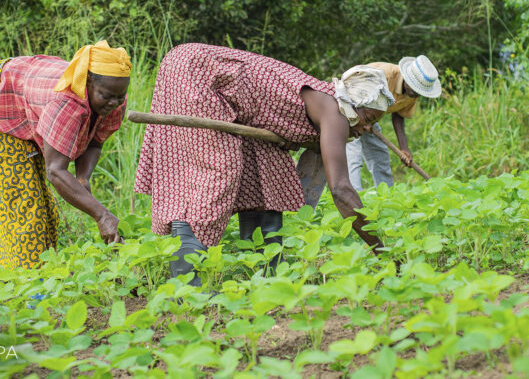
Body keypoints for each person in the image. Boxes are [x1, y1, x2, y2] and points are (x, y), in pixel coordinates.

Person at [134, 43, 395, 286]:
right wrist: (380, 249)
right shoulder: (335, 114)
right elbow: (341, 189)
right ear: (354, 103)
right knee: (215, 172)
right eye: (369, 117)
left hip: (218, 85)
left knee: (269, 169)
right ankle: (189, 287)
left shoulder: (326, 104)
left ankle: (266, 274)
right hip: (198, 72)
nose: (368, 128)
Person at [0, 40, 132, 271]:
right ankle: (16, 280)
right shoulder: (66, 103)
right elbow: (55, 172)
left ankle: (37, 273)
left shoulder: (113, 98)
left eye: (120, 96)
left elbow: (95, 140)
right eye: (107, 96)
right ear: (87, 82)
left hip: (33, 94)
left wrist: (83, 177)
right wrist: (102, 216)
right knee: (25, 202)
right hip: (0, 90)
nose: (114, 103)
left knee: (46, 205)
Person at [346, 55, 441, 190]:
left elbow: (399, 114)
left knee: (380, 156)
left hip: (371, 121)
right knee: (353, 158)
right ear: (408, 79)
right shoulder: (383, 76)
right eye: (415, 89)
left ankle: (388, 197)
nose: (416, 94)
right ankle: (353, 202)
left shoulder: (413, 93)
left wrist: (404, 148)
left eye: (419, 92)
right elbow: (352, 95)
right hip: (350, 113)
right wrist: (361, 121)